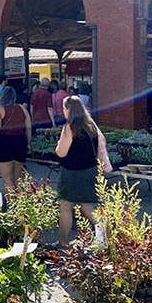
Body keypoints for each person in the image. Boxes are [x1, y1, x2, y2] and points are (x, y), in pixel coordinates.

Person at [55, 95, 112, 247]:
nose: (63, 111)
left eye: (64, 108)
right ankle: (106, 239)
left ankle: (64, 242)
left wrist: (59, 143)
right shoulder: (91, 125)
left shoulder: (69, 127)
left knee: (66, 207)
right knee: (87, 208)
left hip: (72, 172)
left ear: (69, 109)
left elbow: (61, 152)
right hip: (90, 171)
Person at [0, 86, 31, 193]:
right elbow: (28, 127)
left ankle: (11, 204)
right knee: (17, 178)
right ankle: (19, 204)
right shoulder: (22, 108)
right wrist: (27, 143)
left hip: (4, 143)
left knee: (7, 180)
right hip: (20, 143)